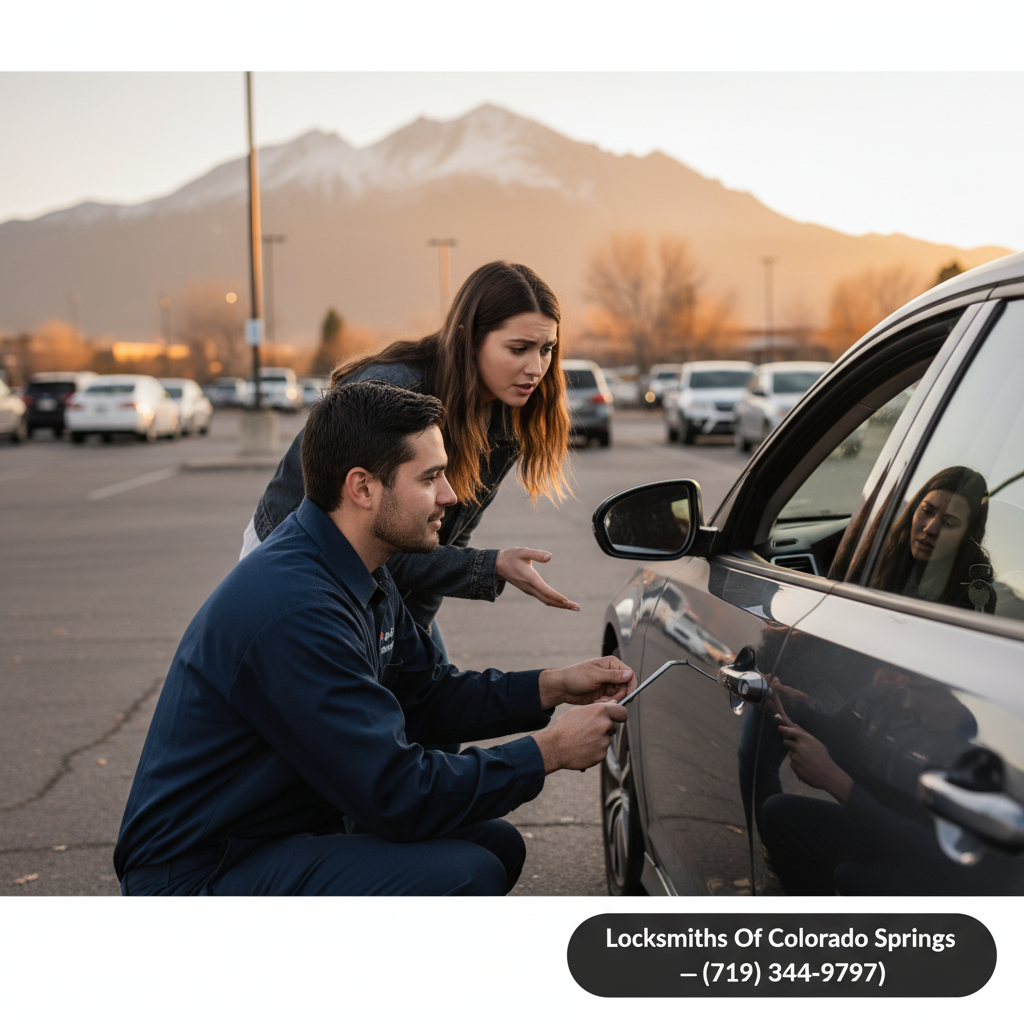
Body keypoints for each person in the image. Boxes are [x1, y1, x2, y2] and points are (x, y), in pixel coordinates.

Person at [114, 381, 634, 896]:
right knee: (462, 874)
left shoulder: (354, 563)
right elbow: (397, 793)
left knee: (495, 845)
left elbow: (426, 696)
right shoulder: (297, 610)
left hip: (277, 831)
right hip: (201, 873)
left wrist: (554, 685)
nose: (451, 496)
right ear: (362, 488)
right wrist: (548, 751)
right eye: (430, 477)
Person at [240, 261, 579, 664]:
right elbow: (367, 536)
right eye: (518, 349)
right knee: (343, 713)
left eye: (547, 350)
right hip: (300, 561)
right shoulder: (392, 395)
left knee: (426, 691)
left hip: (381, 568)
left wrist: (416, 641)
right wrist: (490, 567)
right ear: (469, 340)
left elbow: (444, 537)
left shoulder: (505, 417)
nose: (536, 368)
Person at [870, 465, 995, 612]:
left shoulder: (974, 597)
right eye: (927, 511)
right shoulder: (875, 556)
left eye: (949, 523)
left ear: (967, 536)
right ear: (913, 509)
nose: (930, 529)